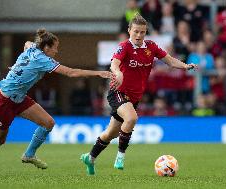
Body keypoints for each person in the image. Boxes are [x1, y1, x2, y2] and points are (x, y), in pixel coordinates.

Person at [0, 28, 113, 174]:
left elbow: (26, 43)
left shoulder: (33, 48)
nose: (56, 51)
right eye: (55, 48)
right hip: (3, 102)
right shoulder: (42, 60)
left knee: (48, 122)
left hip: (19, 98)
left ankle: (29, 155)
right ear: (46, 47)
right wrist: (98, 73)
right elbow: (71, 72)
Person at [80, 14, 197, 175]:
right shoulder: (125, 46)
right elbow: (114, 64)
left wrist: (185, 66)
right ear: (129, 31)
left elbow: (169, 60)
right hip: (118, 92)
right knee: (132, 118)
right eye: (136, 31)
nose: (139, 35)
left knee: (110, 133)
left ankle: (90, 157)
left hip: (134, 97)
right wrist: (117, 73)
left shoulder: (151, 47)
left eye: (142, 32)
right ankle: (120, 157)